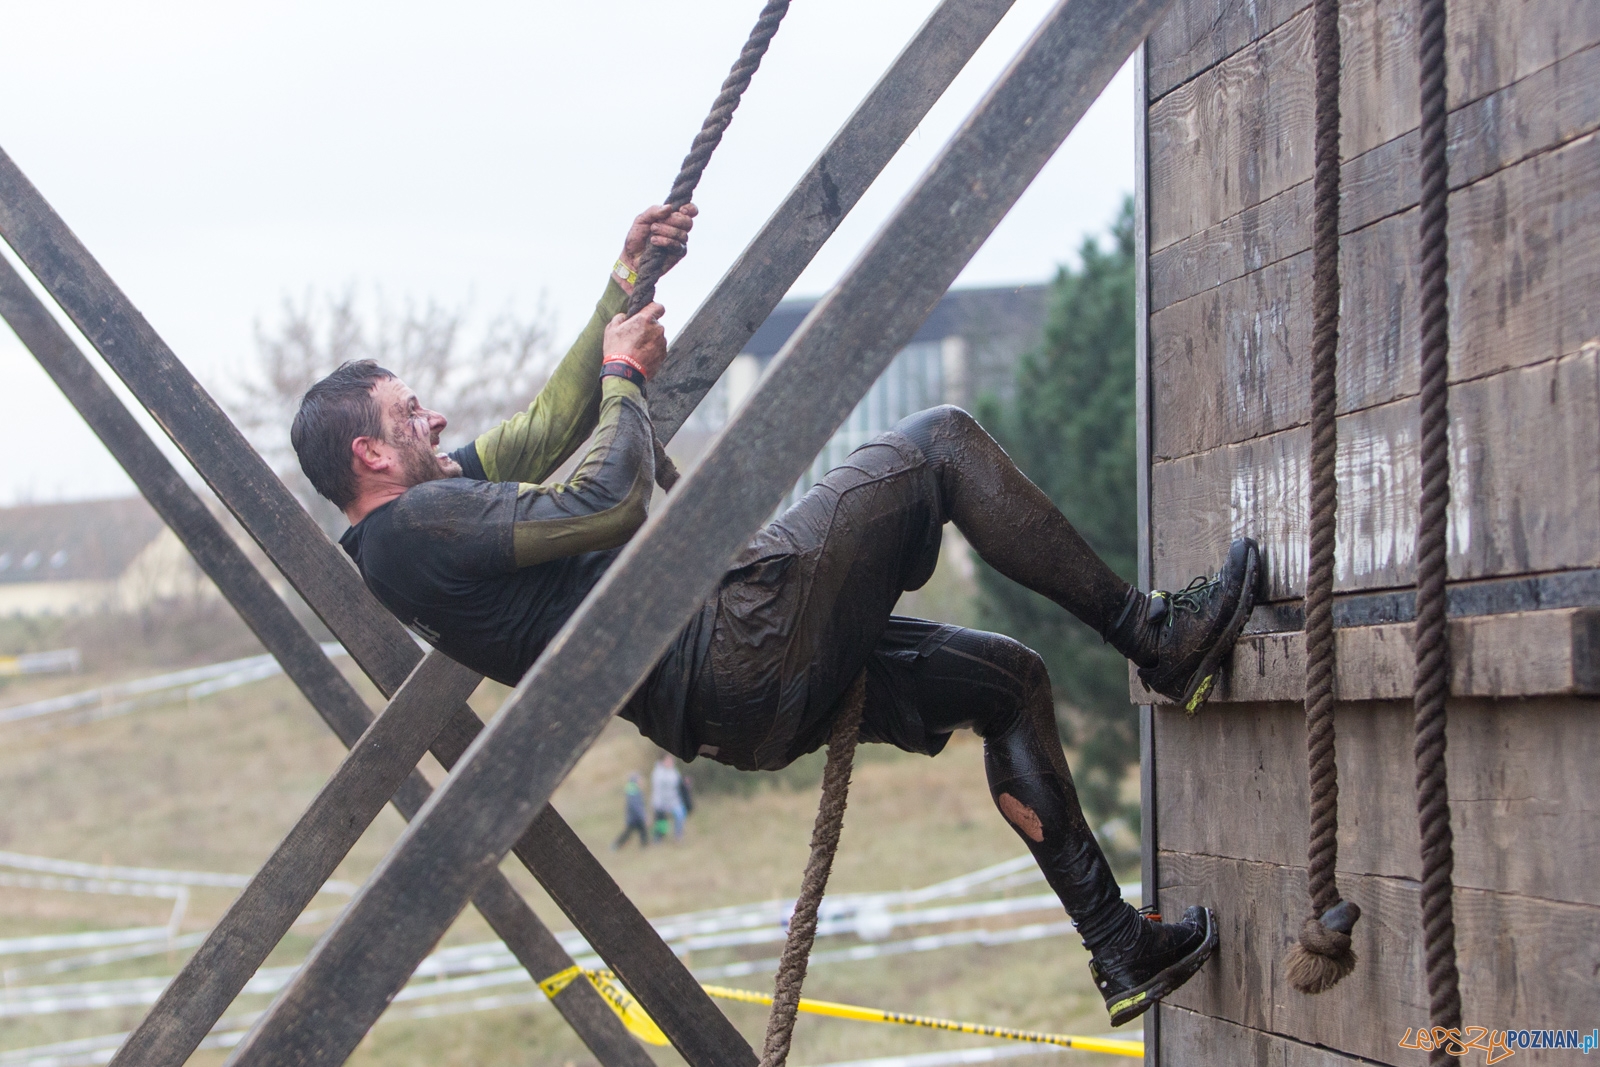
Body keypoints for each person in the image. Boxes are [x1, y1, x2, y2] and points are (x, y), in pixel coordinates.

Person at [289, 202, 1262, 1027]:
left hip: (734, 707)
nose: (436, 423)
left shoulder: (417, 528)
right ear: (370, 455)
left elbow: (545, 428)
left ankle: (1116, 946)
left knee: (1007, 684)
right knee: (939, 442)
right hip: (733, 643)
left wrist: (622, 283)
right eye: (410, 414)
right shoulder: (414, 529)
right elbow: (603, 502)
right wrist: (626, 378)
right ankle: (1156, 637)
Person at [651, 756, 686, 842]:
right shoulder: (658, 772)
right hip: (660, 802)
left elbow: (677, 784)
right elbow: (658, 789)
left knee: (680, 815)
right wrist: (663, 804)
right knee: (661, 822)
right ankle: (657, 839)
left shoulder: (674, 771)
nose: (670, 763)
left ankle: (678, 836)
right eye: (668, 761)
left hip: (674, 801)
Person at [613, 773, 650, 850]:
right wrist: (644, 816)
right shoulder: (634, 792)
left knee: (643, 832)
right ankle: (615, 845)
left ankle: (644, 847)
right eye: (640, 780)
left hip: (634, 817)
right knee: (628, 833)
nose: (642, 782)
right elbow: (637, 807)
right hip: (634, 818)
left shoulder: (634, 790)